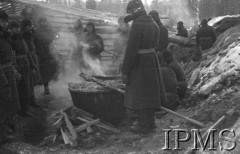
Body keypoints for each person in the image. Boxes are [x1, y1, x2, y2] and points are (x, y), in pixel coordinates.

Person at [122, 0, 167, 134]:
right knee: (150, 93)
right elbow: (156, 45)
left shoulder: (137, 25)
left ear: (135, 10)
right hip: (152, 61)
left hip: (140, 63)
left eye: (130, 11)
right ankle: (151, 123)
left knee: (140, 94)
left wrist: (125, 70)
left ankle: (143, 126)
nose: (130, 14)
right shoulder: (153, 23)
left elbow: (131, 50)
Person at [9, 21, 38, 117]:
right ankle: (22, 109)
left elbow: (28, 53)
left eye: (17, 27)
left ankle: (28, 105)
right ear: (11, 29)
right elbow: (11, 56)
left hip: (26, 63)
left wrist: (32, 66)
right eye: (14, 27)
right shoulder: (10, 40)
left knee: (29, 85)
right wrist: (16, 69)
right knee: (22, 88)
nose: (17, 29)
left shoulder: (21, 38)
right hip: (18, 65)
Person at [0, 11, 20, 143]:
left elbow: (8, 56)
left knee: (8, 101)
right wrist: (3, 77)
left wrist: (13, 69)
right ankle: (2, 134)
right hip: (1, 72)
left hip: (7, 70)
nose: (5, 23)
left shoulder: (4, 36)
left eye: (6, 21)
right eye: (2, 20)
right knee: (2, 102)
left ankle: (5, 126)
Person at [34, 17, 58, 95]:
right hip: (42, 54)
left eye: (45, 22)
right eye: (42, 22)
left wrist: (55, 35)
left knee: (53, 68)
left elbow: (55, 38)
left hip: (50, 52)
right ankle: (46, 87)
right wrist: (38, 52)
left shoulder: (49, 30)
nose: (44, 23)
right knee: (44, 70)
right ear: (40, 23)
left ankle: (54, 84)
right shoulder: (37, 31)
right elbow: (34, 43)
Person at [21, 18, 41, 108]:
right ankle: (27, 103)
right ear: (25, 27)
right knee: (27, 83)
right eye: (30, 25)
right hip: (25, 60)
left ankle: (32, 101)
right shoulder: (22, 36)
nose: (31, 27)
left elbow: (34, 44)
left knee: (32, 81)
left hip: (32, 57)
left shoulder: (30, 34)